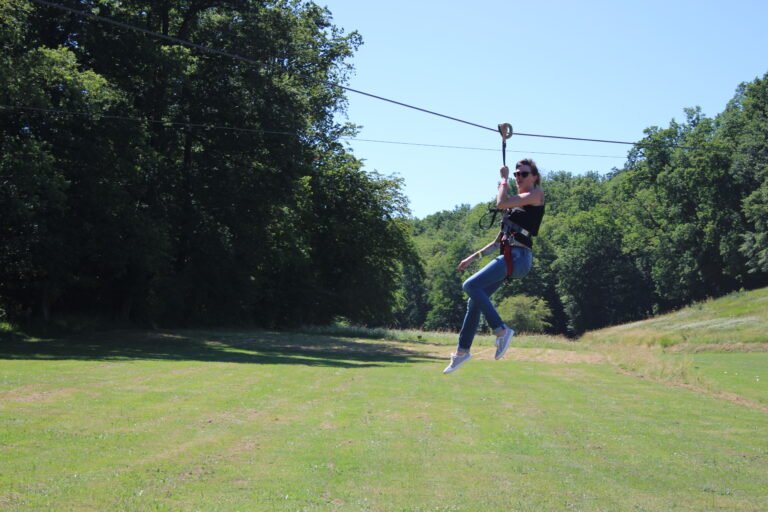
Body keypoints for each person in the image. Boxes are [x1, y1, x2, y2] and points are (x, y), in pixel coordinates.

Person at [443, 159, 546, 374]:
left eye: (523, 174)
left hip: (519, 258)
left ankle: (501, 330)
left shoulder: (536, 195)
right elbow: (497, 242)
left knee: (470, 286)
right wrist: (472, 257)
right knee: (474, 301)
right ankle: (462, 352)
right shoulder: (513, 208)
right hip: (510, 256)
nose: (519, 177)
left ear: (534, 177)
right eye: (516, 174)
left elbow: (500, 202)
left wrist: (502, 179)